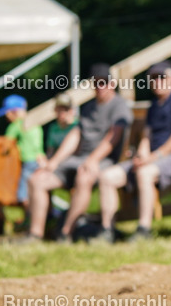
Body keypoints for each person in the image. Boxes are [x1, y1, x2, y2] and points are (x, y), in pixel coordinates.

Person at [25, 64, 132, 243]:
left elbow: (113, 138)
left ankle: (66, 232)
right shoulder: (89, 107)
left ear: (112, 83)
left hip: (104, 160)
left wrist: (92, 160)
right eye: (96, 83)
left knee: (84, 176)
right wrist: (54, 162)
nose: (100, 87)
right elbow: (75, 136)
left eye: (104, 82)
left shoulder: (119, 106)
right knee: (36, 179)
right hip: (78, 159)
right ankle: (35, 234)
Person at [98, 61, 171, 242]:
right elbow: (146, 136)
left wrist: (153, 157)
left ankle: (144, 229)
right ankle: (107, 230)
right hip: (151, 157)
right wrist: (142, 155)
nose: (157, 81)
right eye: (153, 78)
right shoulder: (154, 105)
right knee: (106, 177)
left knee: (144, 172)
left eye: (161, 77)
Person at [0, 94, 44, 208]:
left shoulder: (16, 125)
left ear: (13, 112)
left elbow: (5, 145)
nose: (6, 118)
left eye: (7, 114)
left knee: (24, 194)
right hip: (41, 160)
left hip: (28, 162)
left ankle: (30, 214)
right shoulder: (34, 123)